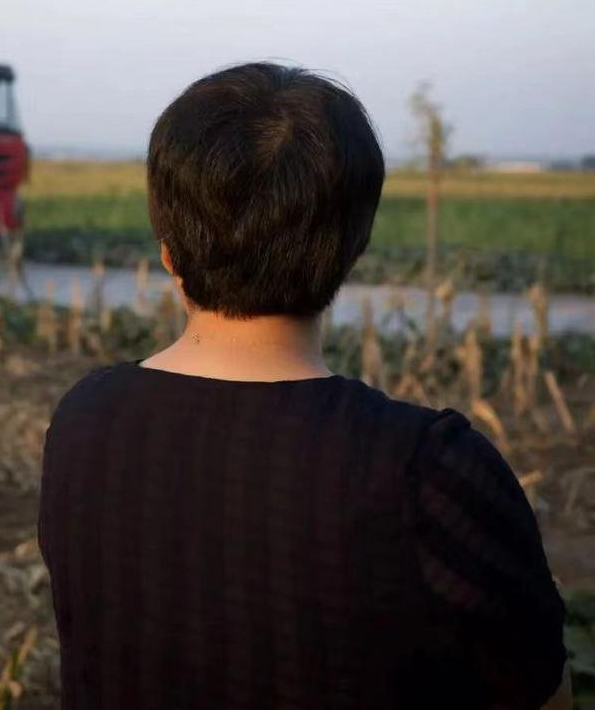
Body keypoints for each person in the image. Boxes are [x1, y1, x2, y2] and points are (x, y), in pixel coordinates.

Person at [38, 62, 570, 709]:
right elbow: (542, 692)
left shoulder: (84, 420)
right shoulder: (429, 471)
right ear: (354, 247)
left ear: (167, 250)